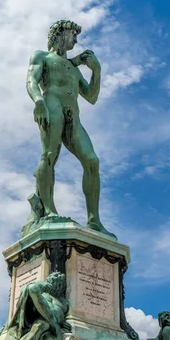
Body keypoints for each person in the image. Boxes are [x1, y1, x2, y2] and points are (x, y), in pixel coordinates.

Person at [26, 20, 114, 237]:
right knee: (49, 155)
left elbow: (91, 97)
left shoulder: (74, 69)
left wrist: (97, 71)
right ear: (60, 34)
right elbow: (31, 81)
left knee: (92, 160)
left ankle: (94, 221)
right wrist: (38, 102)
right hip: (51, 106)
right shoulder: (42, 57)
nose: (75, 40)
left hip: (73, 115)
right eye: (72, 35)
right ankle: (47, 210)